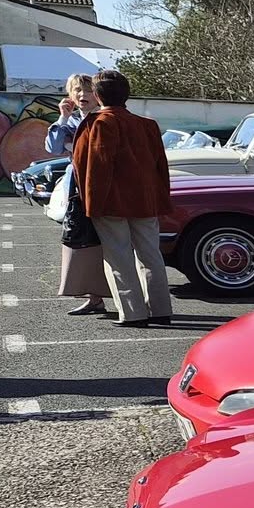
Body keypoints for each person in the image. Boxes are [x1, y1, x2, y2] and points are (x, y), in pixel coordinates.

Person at [69, 69, 174, 328]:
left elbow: (96, 169)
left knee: (119, 258)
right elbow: (161, 166)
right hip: (147, 201)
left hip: (111, 202)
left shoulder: (98, 124)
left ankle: (133, 313)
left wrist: (91, 206)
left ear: (97, 95)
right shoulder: (148, 125)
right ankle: (161, 309)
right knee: (151, 256)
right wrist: (162, 197)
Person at [48, 74, 111, 316]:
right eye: (77, 90)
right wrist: (62, 117)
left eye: (87, 90)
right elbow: (52, 148)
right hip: (77, 191)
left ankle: (128, 298)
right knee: (84, 242)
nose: (82, 95)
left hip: (101, 189)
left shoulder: (104, 120)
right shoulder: (71, 123)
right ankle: (94, 297)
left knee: (109, 242)